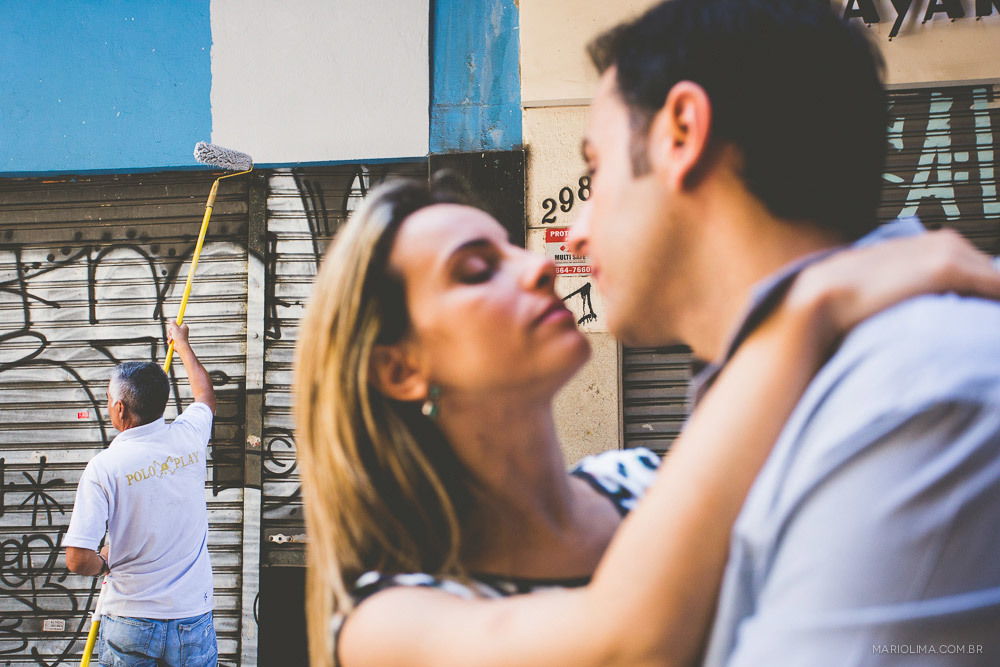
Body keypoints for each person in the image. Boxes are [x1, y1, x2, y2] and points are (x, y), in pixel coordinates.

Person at [294, 173, 1000, 667]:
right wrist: (800, 312)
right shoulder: (384, 623)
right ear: (399, 370)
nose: (538, 267)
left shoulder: (643, 477)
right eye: (477, 270)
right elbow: (627, 644)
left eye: (515, 246)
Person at [567, 0, 1000, 663]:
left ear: (681, 132)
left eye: (594, 170)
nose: (575, 229)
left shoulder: (914, 395)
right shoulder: (812, 386)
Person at [65, 321, 218, 667]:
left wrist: (103, 560)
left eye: (108, 399)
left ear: (120, 409)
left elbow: (76, 559)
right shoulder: (189, 437)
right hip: (192, 617)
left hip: (130, 618)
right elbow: (205, 395)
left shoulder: (104, 467)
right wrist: (181, 345)